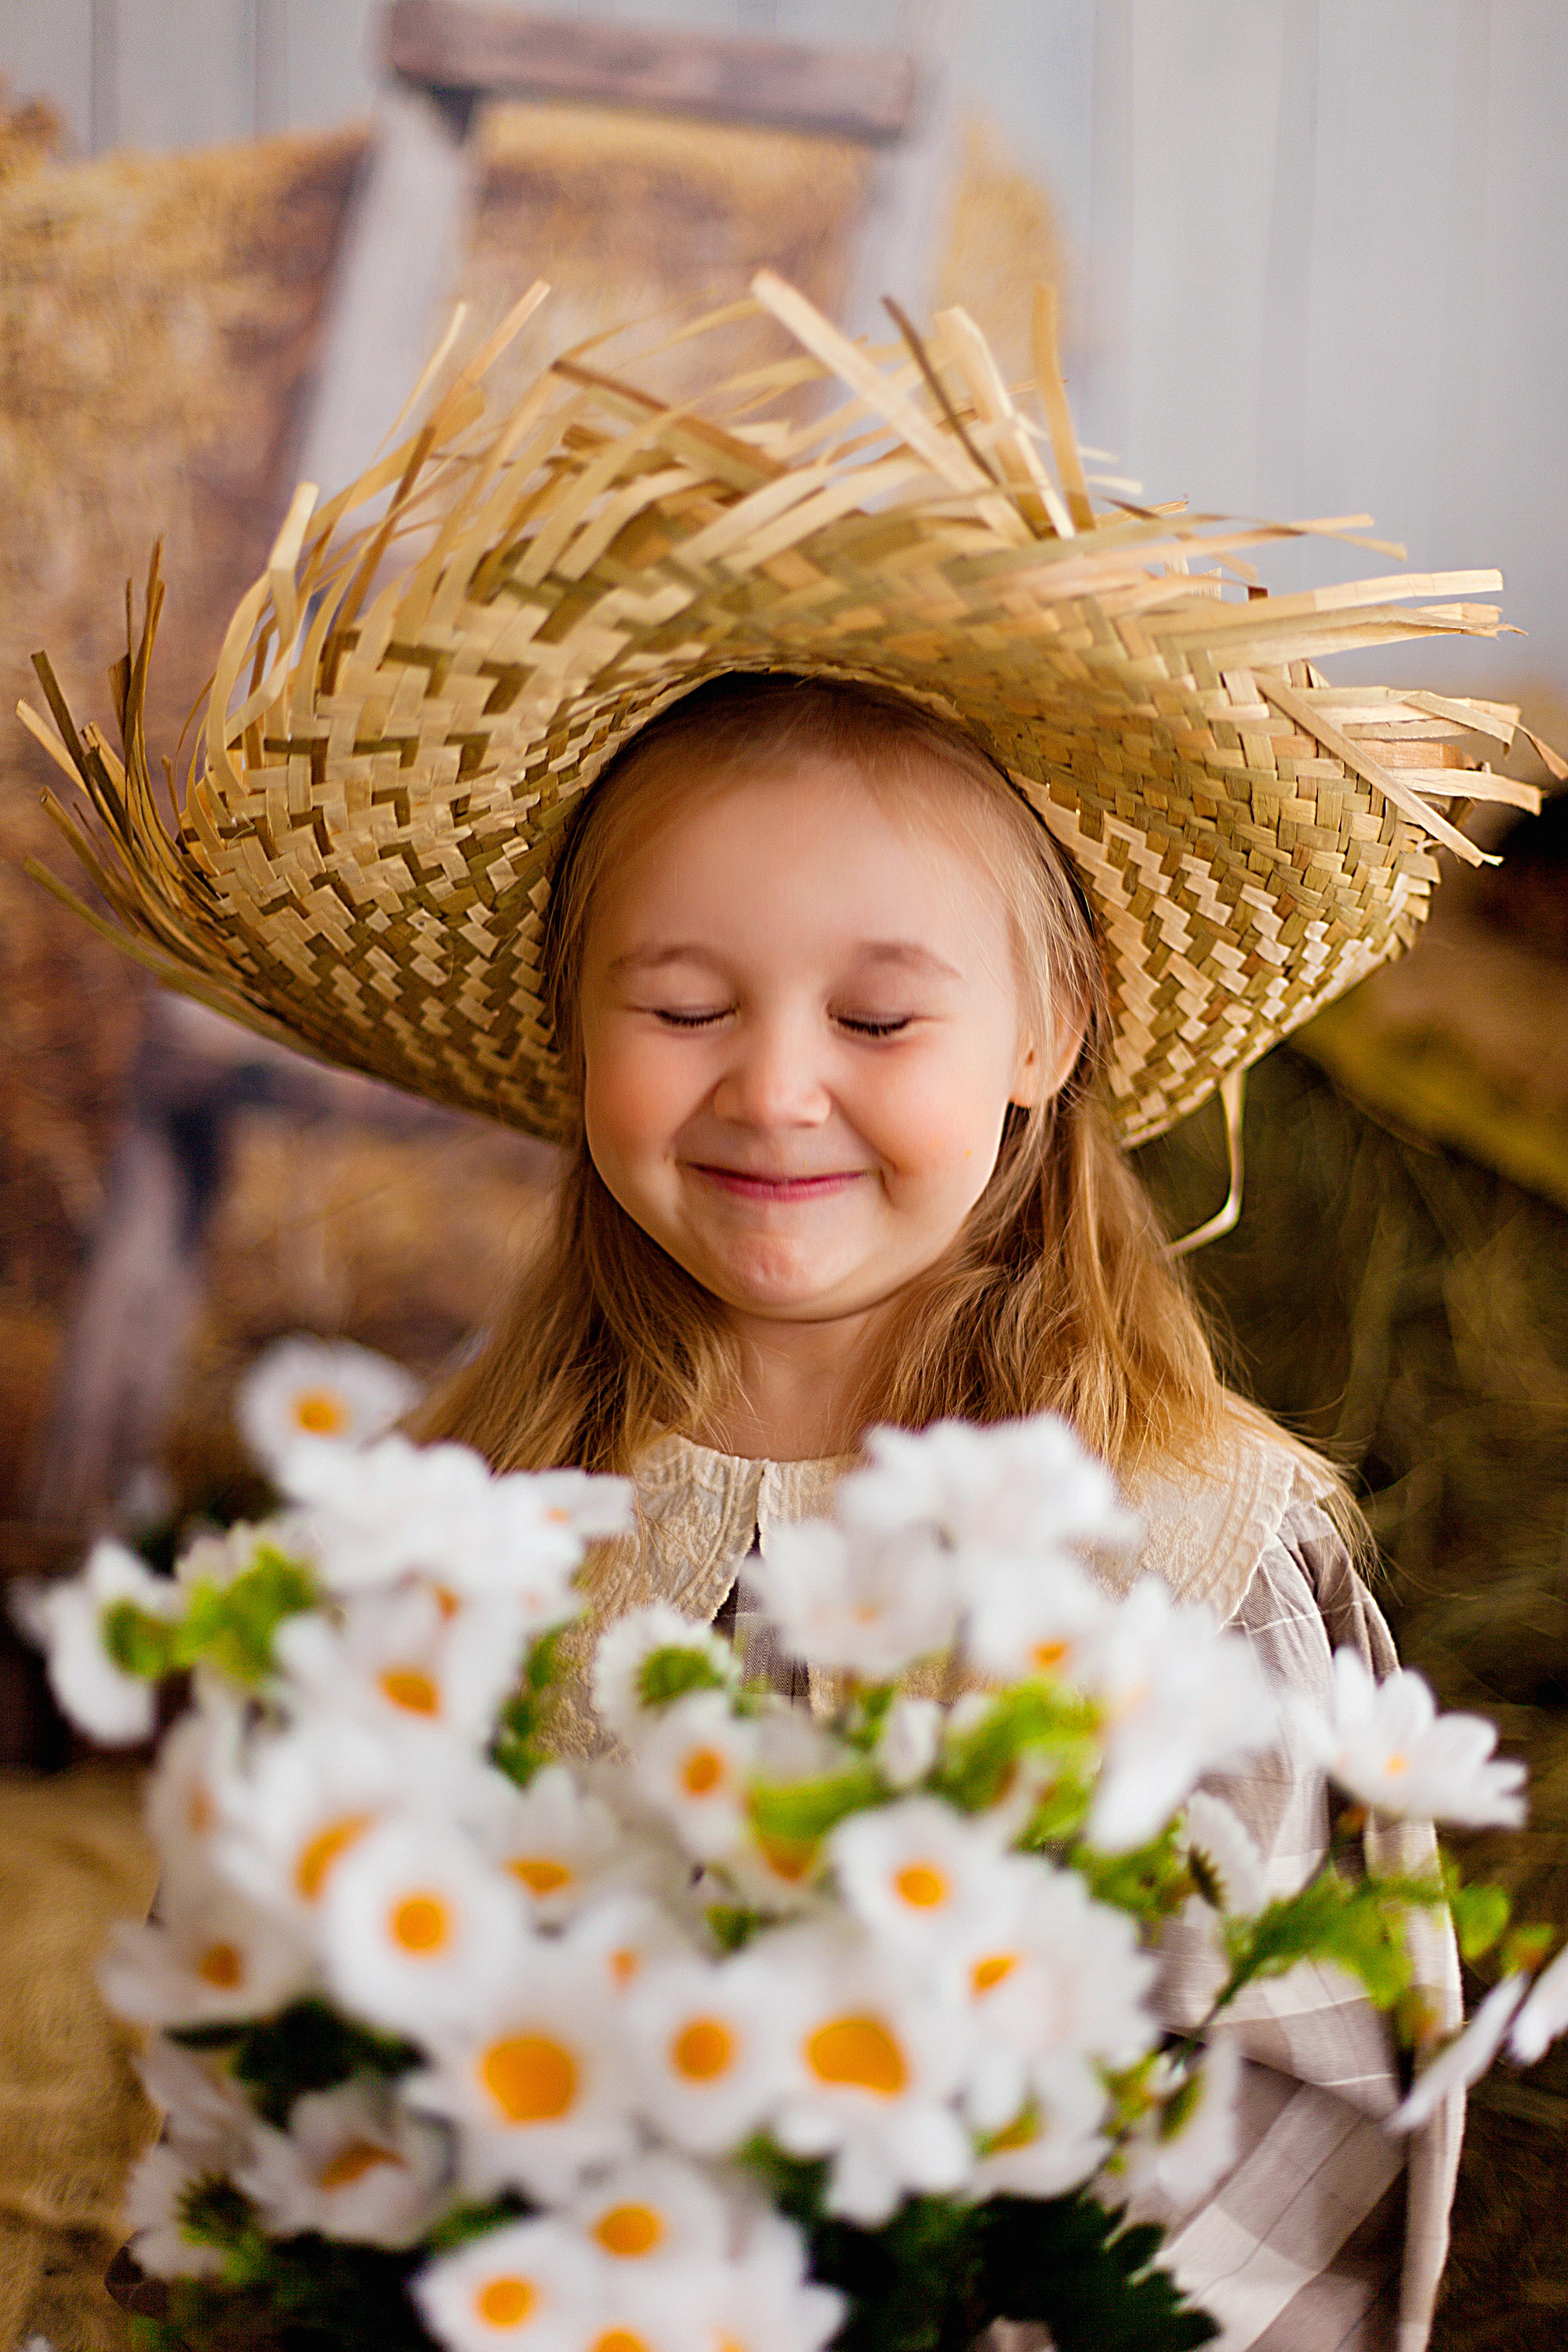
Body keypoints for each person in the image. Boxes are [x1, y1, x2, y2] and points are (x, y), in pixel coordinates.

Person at [35, 274, 1515, 2350]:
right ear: (576, 1024)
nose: (776, 1089)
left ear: (1048, 1031)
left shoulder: (1181, 1558)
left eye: (881, 1017)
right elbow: (267, 2036)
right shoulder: (464, 1530)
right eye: (682, 1006)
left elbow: (1287, 2125)